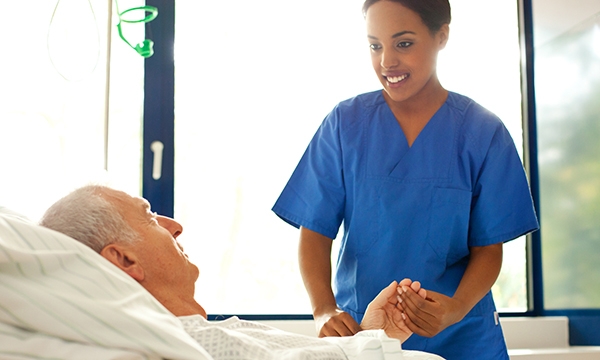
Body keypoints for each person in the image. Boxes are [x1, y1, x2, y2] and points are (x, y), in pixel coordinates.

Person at [271, 0, 539, 358]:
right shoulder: (344, 125)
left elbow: (489, 249)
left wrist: (455, 308)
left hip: (462, 337)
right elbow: (315, 232)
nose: (386, 62)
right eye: (374, 45)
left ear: (441, 35)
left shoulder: (483, 132)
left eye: (404, 43)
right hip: (367, 336)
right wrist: (324, 309)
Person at [39, 184, 430, 360]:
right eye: (149, 217)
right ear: (124, 261)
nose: (174, 224)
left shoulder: (207, 333)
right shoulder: (183, 343)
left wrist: (377, 336)